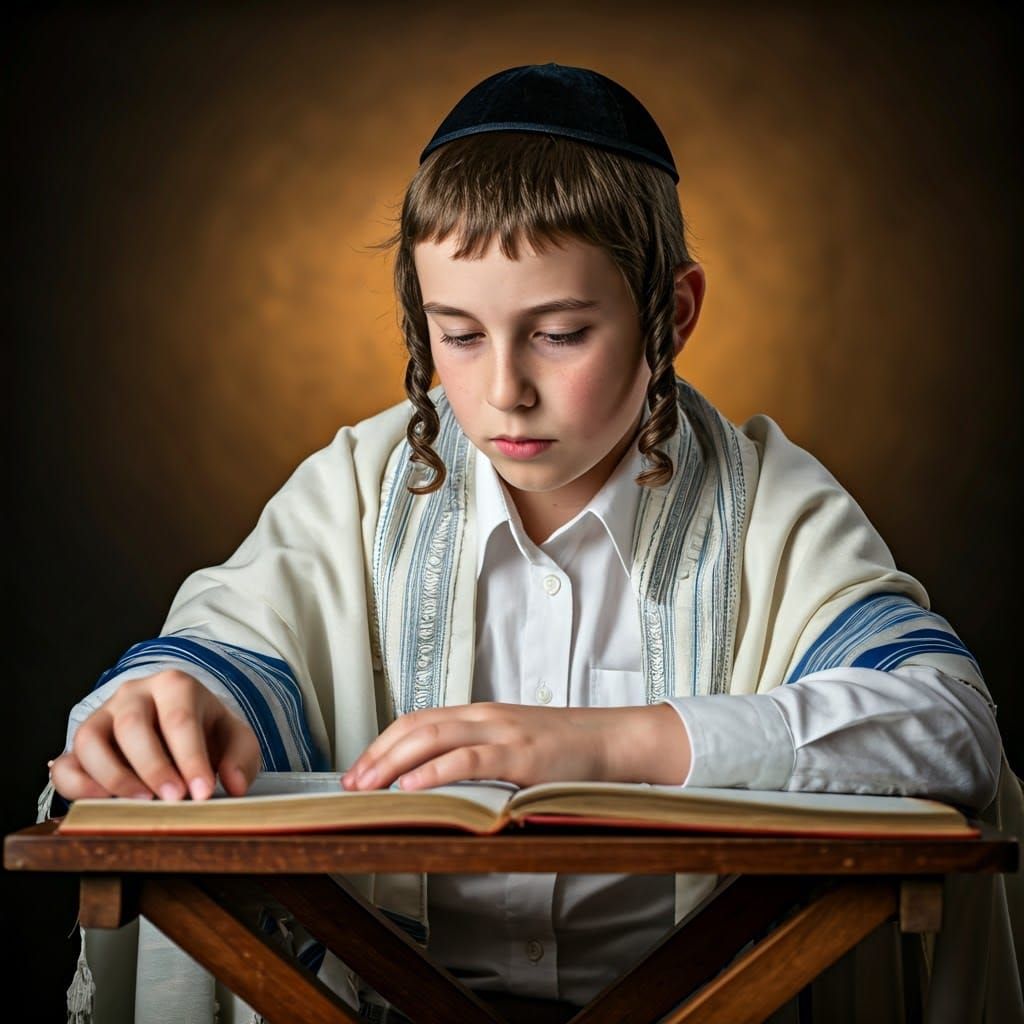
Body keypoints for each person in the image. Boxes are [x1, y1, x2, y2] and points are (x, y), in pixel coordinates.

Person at [45, 63, 1021, 1024]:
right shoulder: (354, 488)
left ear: (672, 313)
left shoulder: (770, 504)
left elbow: (951, 730)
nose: (503, 390)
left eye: (558, 333)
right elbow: (222, 658)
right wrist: (168, 716)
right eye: (459, 335)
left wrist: (606, 745)